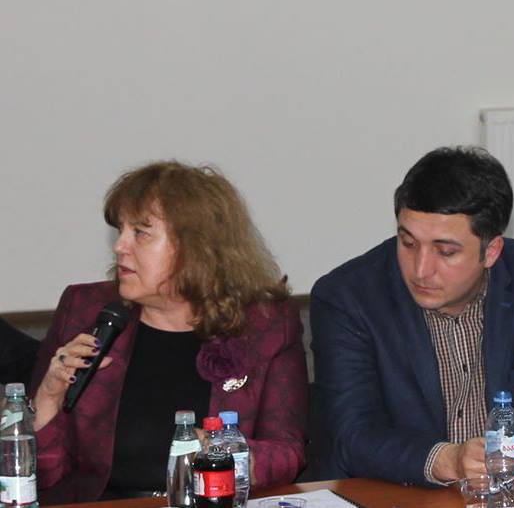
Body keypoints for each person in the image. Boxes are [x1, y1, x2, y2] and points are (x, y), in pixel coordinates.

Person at [310, 147, 514, 486]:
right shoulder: (347, 298)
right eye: (408, 243)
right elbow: (353, 435)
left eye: (445, 251)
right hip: (394, 492)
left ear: (491, 251)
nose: (421, 270)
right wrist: (447, 460)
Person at [30, 162, 307, 503]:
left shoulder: (266, 324)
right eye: (120, 231)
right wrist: (48, 398)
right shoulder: (85, 310)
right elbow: (40, 476)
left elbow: (288, 451)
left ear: (196, 248)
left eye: (140, 233)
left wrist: (227, 455)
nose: (120, 246)